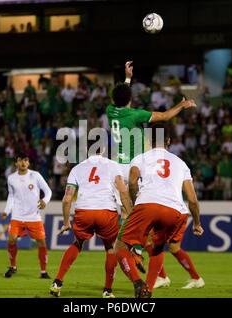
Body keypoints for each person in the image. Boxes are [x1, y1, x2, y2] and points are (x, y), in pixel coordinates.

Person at [106, 61, 197, 271]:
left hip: (118, 166)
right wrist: (181, 106)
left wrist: (127, 79)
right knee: (143, 212)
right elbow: (164, 117)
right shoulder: (135, 114)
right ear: (130, 99)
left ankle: (133, 249)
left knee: (129, 213)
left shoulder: (110, 111)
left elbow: (120, 96)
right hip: (136, 166)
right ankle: (135, 248)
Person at [114, 123, 204, 298]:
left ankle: (138, 282)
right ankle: (148, 289)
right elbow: (192, 199)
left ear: (148, 140)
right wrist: (197, 223)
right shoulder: (181, 163)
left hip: (148, 204)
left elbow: (132, 183)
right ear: (169, 140)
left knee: (120, 247)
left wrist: (135, 205)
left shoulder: (140, 158)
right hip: (176, 211)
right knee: (157, 247)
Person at [49, 152, 132, 298]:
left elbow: (67, 199)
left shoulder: (77, 168)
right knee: (111, 248)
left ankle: (57, 282)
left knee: (78, 243)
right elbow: (123, 192)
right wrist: (131, 215)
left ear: (87, 150)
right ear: (104, 150)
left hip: (84, 211)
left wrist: (66, 222)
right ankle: (107, 290)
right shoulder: (113, 165)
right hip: (106, 212)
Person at [1, 153, 52, 279]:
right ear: (16, 163)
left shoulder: (35, 175)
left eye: (25, 160)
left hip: (33, 216)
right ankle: (13, 267)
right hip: (17, 216)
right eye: (20, 160)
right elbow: (11, 196)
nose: (23, 163)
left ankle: (43, 271)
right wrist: (6, 211)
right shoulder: (11, 178)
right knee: (11, 239)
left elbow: (48, 191)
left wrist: (45, 201)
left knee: (42, 243)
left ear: (28, 163)